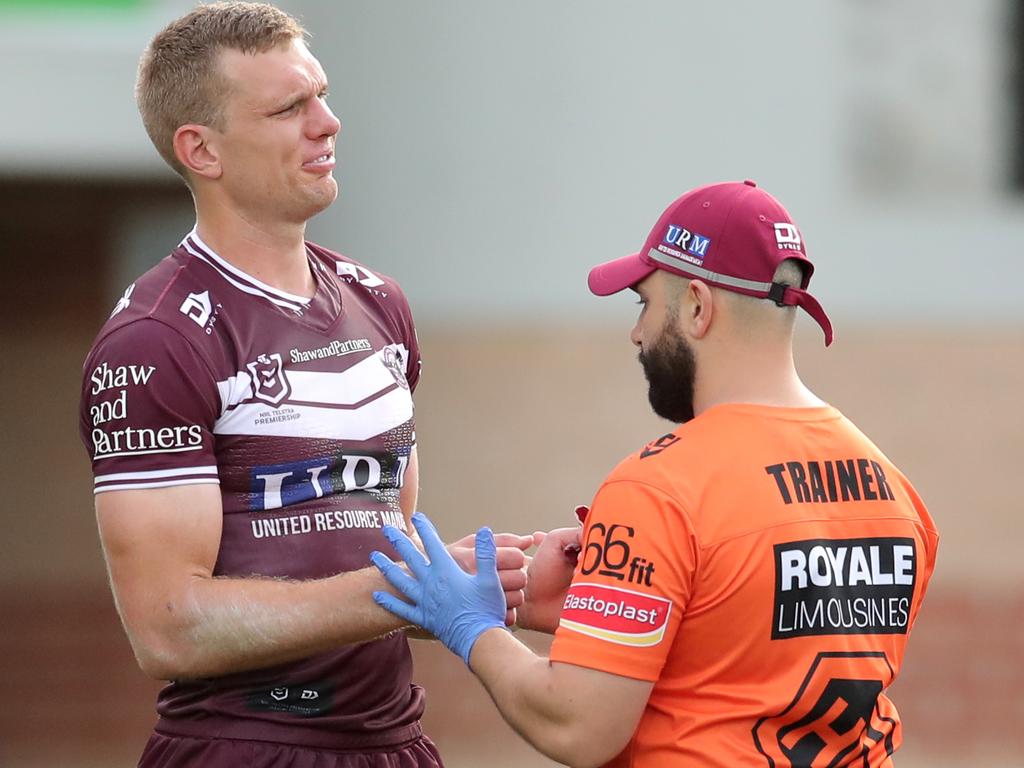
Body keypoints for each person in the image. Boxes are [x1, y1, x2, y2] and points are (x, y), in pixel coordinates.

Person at [77, 3, 534, 766]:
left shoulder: (379, 301)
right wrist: (411, 588)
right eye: (290, 108)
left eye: (320, 94)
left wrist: (504, 581)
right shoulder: (156, 339)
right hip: (248, 747)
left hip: (396, 741)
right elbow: (166, 627)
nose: (328, 123)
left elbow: (378, 564)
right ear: (203, 150)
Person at [372, 180, 940, 767]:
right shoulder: (896, 493)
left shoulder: (658, 489)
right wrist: (608, 606)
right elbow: (751, 656)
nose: (637, 332)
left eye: (644, 302)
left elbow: (576, 726)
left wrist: (470, 626)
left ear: (697, 306)